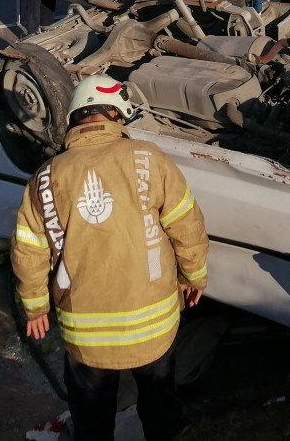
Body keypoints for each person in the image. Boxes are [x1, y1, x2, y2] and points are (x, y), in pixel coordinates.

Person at [12, 76, 209, 440]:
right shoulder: (150, 159)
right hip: (154, 326)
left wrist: (36, 307)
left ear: (74, 119)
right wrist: (194, 277)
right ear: (117, 115)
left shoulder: (45, 177)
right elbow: (187, 226)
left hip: (86, 335)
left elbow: (29, 249)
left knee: (92, 421)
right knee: (160, 409)